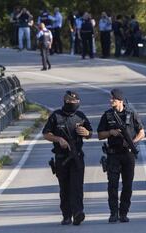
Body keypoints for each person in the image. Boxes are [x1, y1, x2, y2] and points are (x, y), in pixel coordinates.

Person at [43, 91, 93, 226]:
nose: (74, 105)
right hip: (61, 158)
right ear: (66, 102)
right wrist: (58, 139)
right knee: (64, 187)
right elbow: (46, 134)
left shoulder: (80, 116)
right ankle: (66, 215)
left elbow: (91, 133)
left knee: (77, 186)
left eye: (76, 103)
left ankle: (78, 212)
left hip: (77, 157)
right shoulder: (56, 116)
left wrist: (87, 133)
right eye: (72, 103)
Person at [97, 89, 145, 223]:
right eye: (111, 99)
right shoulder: (107, 115)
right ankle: (113, 213)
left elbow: (142, 132)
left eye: (113, 99)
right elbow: (100, 135)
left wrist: (133, 142)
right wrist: (110, 132)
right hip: (113, 155)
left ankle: (123, 213)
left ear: (120, 101)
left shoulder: (131, 113)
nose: (111, 101)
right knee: (112, 185)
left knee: (127, 185)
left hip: (128, 155)